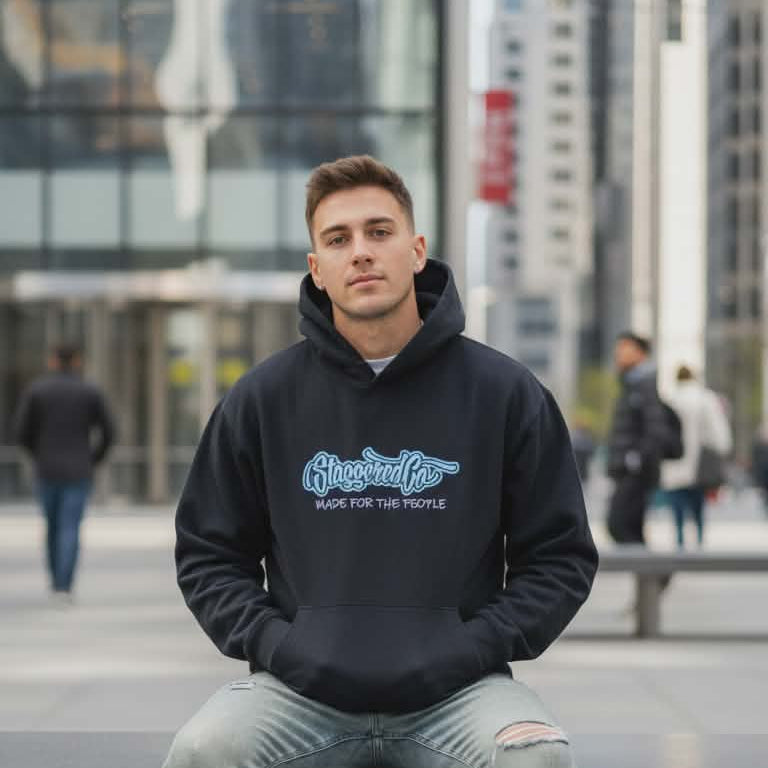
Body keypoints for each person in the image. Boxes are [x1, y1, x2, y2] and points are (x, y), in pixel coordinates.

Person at [162, 155, 598, 768]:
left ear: (416, 250)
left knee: (535, 758)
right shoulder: (262, 398)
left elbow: (559, 557)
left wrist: (469, 647)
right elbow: (208, 554)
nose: (360, 252)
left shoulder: (505, 393)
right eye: (338, 240)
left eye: (379, 231)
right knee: (203, 750)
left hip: (460, 693)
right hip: (297, 694)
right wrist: (281, 646)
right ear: (317, 268)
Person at [14, 344, 115, 603]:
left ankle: (55, 582)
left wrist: (37, 454)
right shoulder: (88, 391)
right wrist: (94, 459)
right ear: (78, 361)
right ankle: (65, 586)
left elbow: (21, 431)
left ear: (53, 361)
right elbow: (109, 431)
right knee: (70, 527)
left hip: (46, 469)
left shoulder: (37, 391)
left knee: (52, 526)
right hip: (79, 470)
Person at [605, 332, 668, 545]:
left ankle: (656, 572)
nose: (618, 353)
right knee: (631, 526)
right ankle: (650, 574)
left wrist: (636, 458)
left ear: (640, 353)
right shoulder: (631, 384)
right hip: (628, 468)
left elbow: (655, 428)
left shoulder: (644, 385)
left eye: (625, 348)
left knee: (618, 523)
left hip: (636, 471)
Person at [660, 365, 732, 548]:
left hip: (675, 460)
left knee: (677, 502)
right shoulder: (705, 398)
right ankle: (699, 538)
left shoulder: (670, 398)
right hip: (699, 462)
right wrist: (722, 450)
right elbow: (718, 431)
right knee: (697, 503)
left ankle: (679, 538)